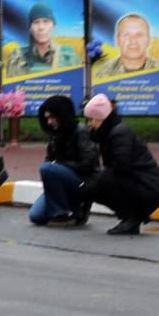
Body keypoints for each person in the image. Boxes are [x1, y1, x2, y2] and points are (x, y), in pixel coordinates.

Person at [82, 94, 159, 235]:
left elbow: (122, 167)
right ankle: (130, 218)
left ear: (101, 118)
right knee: (95, 183)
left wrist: (99, 177)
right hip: (141, 183)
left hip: (149, 187)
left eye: (91, 119)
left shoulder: (119, 134)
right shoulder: (108, 133)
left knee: (98, 182)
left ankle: (133, 218)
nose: (89, 124)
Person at [27, 95, 100, 225]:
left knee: (48, 168)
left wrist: (59, 166)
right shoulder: (55, 134)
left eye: (52, 117)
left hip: (82, 180)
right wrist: (55, 168)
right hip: (62, 179)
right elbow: (49, 159)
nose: (49, 122)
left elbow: (89, 164)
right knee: (36, 216)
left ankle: (64, 212)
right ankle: (72, 211)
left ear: (61, 115)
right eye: (47, 118)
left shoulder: (81, 131)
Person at [4, 3, 80, 78]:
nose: (41, 27)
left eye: (46, 21)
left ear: (53, 26)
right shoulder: (18, 56)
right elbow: (11, 88)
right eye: (36, 22)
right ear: (30, 28)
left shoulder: (70, 57)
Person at [92, 13, 159, 79]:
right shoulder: (102, 74)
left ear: (149, 40)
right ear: (117, 40)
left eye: (139, 35)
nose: (133, 41)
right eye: (126, 35)